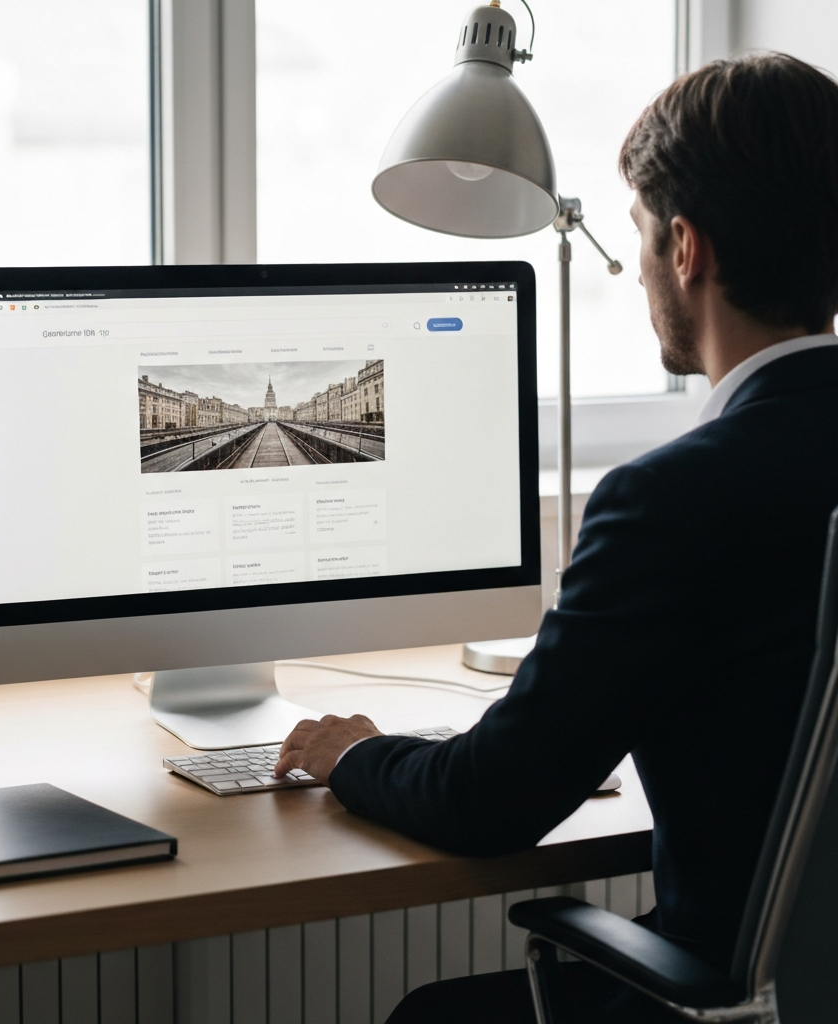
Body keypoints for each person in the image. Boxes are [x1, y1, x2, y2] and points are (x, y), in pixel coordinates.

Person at [272, 53, 838, 1023]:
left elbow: (489, 800)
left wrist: (354, 754)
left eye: (643, 237)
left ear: (688, 250)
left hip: (732, 1003)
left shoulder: (669, 501)